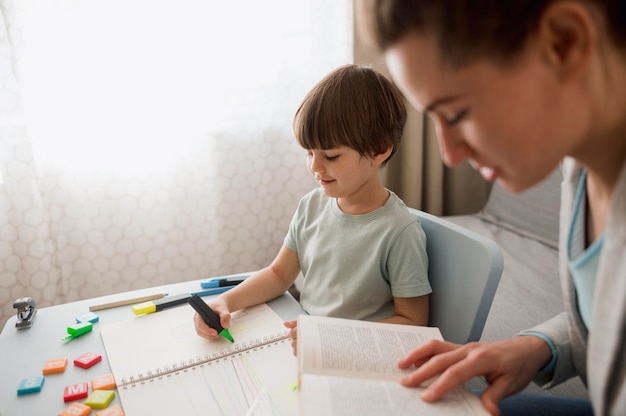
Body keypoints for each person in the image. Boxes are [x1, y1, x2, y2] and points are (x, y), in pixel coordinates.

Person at [361, 1, 626, 415]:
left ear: (565, 42)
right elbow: (608, 318)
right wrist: (536, 347)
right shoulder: (580, 161)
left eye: (457, 113)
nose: (449, 154)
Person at [194, 64, 431, 354]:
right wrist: (225, 302)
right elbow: (279, 274)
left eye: (330, 156)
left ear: (379, 149)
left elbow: (414, 321)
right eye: (309, 152)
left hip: (357, 352)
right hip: (307, 340)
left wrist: (332, 336)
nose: (315, 167)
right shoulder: (311, 205)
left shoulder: (399, 231)